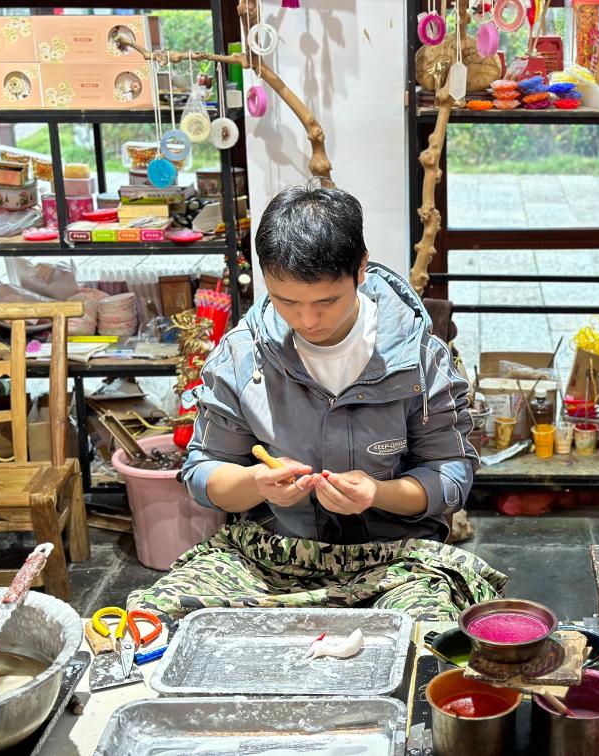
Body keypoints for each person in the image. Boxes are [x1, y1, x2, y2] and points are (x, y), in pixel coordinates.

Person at [128, 183, 505, 620]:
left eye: (327, 301)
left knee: (427, 637)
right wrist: (254, 485)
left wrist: (378, 493)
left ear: (361, 268)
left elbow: (451, 474)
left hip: (395, 559)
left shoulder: (418, 359)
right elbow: (202, 470)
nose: (307, 320)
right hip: (272, 554)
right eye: (286, 301)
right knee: (156, 618)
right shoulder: (242, 355)